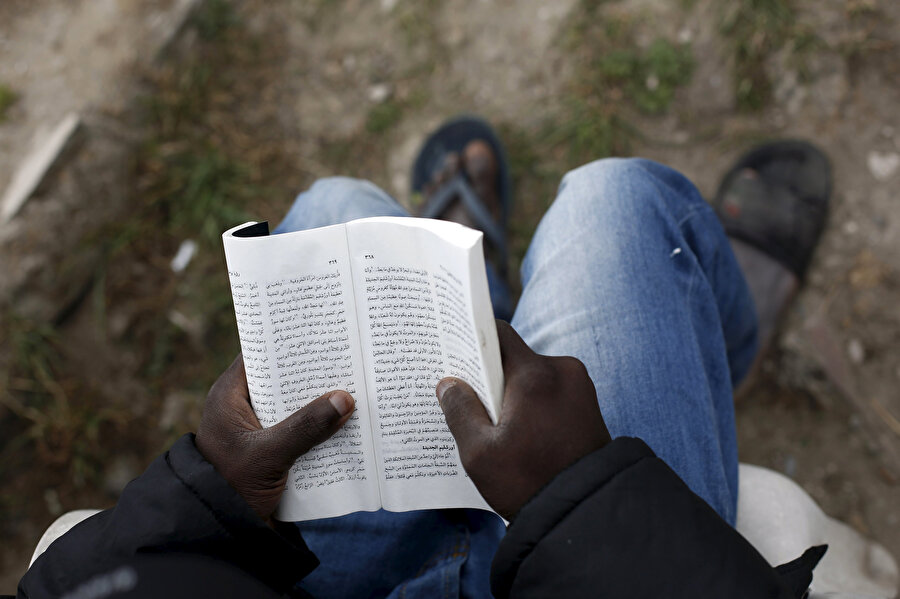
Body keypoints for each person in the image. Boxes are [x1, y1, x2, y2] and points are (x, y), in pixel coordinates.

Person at [9, 118, 831, 598]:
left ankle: (474, 285)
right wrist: (582, 504)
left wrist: (206, 494)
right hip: (610, 570)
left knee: (335, 207)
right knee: (615, 204)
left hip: (305, 577)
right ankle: (710, 346)